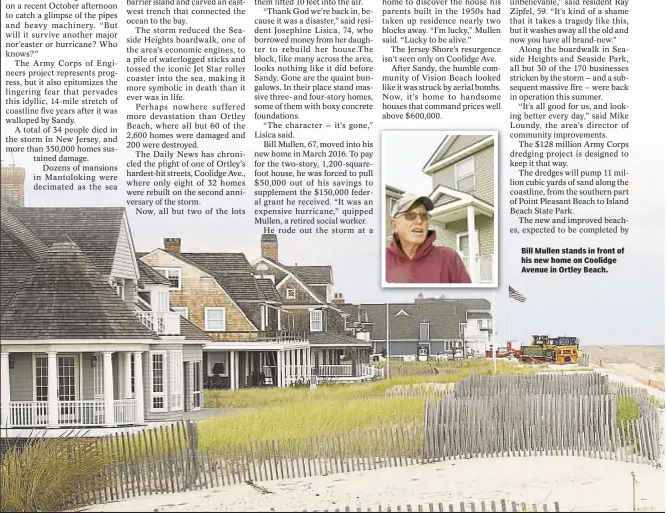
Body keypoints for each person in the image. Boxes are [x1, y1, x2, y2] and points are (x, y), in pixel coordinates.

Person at [386, 194, 472, 284]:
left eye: (424, 216)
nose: (419, 221)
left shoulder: (448, 259)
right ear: (394, 224)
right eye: (410, 215)